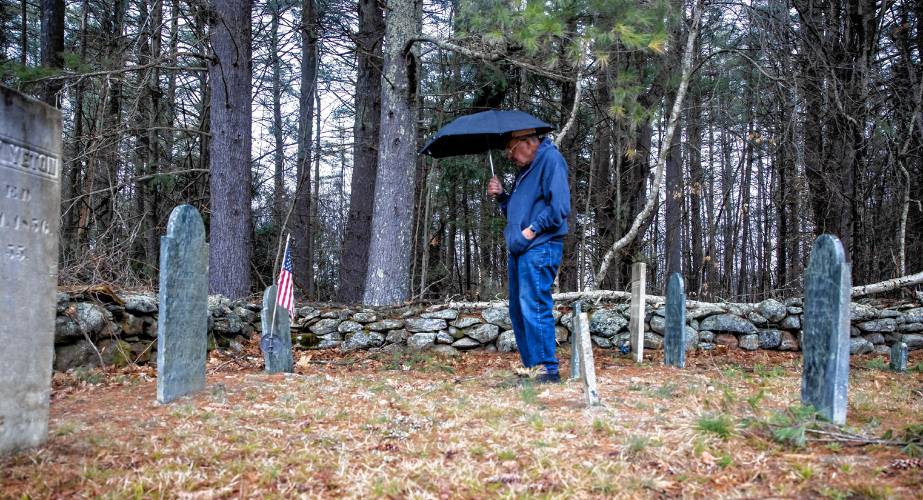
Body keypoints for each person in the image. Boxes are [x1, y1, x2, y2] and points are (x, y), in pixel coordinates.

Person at [487, 128, 571, 383]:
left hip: (540, 246)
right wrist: (502, 197)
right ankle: (533, 367)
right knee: (519, 310)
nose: (510, 157)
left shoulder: (550, 160)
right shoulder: (525, 171)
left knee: (534, 305)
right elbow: (517, 211)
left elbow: (559, 208)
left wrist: (532, 231)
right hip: (521, 249)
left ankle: (546, 370)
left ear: (528, 142)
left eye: (511, 150)